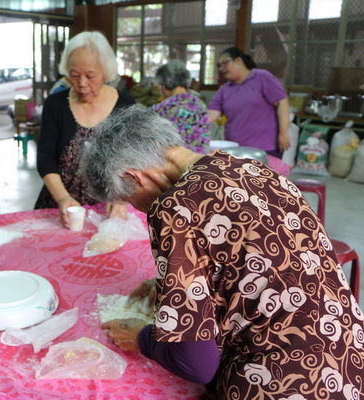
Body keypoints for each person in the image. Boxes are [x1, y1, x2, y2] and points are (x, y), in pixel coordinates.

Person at [80, 104, 363, 399]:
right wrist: (172, 288)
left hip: (284, 384)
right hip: (347, 362)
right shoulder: (256, 170)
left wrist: (142, 336)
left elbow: (195, 364)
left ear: (136, 177)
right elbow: (258, 262)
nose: (138, 209)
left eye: (129, 200)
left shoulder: (175, 207)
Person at [35, 30, 135, 227]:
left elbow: (136, 160)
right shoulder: (55, 104)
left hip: (109, 213)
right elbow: (46, 161)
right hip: (59, 207)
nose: (82, 84)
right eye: (74, 75)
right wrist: (63, 199)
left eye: (90, 76)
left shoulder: (125, 104)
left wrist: (121, 199)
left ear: (105, 71)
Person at [207, 47, 290, 159]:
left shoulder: (261, 77)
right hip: (235, 148)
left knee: (263, 176)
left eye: (225, 63)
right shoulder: (225, 89)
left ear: (239, 60)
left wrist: (283, 133)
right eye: (219, 66)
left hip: (266, 147)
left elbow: (282, 102)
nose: (222, 68)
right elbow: (211, 114)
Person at [152, 60, 210, 154]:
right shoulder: (200, 103)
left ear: (164, 85)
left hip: (178, 164)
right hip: (201, 162)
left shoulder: (162, 108)